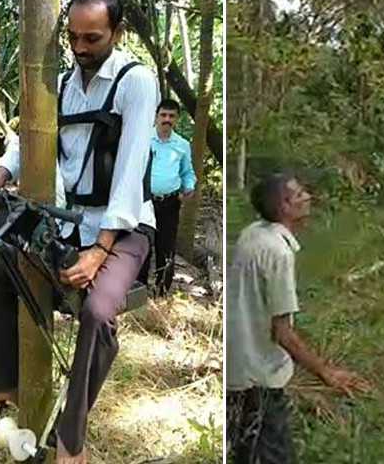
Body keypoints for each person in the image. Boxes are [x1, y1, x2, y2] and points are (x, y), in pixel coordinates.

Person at [0, 0, 159, 464]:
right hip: (69, 220)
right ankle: (5, 386)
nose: (79, 49)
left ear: (117, 31)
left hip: (127, 227)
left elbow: (133, 166)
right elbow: (29, 140)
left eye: (92, 39)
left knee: (98, 312)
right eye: (72, 38)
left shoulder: (136, 81)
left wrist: (100, 250)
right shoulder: (65, 81)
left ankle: (70, 440)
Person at [226, 172, 371, 463]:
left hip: (239, 369)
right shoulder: (279, 253)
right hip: (260, 380)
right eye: (299, 193)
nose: (307, 197)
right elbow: (283, 333)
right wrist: (326, 372)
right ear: (284, 207)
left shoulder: (252, 233)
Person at [137, 98, 196, 296]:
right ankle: (139, 290)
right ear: (156, 117)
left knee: (166, 247)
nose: (167, 119)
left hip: (170, 203)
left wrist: (188, 187)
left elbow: (188, 172)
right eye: (163, 115)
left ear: (177, 119)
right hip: (144, 202)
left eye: (171, 116)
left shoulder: (182, 145)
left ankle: (162, 291)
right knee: (142, 245)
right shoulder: (143, 139)